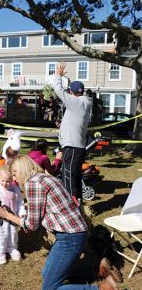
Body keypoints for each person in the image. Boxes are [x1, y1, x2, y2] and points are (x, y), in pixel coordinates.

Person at [0, 155, 133, 290]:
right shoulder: (45, 177)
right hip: (76, 234)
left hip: (70, 238)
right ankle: (98, 270)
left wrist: (8, 216)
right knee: (47, 273)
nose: (14, 180)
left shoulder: (33, 184)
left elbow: (31, 225)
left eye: (14, 174)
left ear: (22, 170)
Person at [54, 62, 92, 203]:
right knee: (74, 177)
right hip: (77, 147)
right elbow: (73, 120)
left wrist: (58, 75)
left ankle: (72, 206)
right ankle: (78, 204)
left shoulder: (76, 103)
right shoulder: (82, 103)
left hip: (73, 148)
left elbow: (58, 90)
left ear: (71, 92)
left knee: (69, 178)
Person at [0, 165, 26, 265]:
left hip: (12, 218)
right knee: (0, 234)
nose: (5, 183)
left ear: (12, 180)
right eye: (3, 181)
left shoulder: (15, 190)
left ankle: (12, 248)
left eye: (8, 181)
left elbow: (19, 203)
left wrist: (22, 212)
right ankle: (0, 251)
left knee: (13, 233)